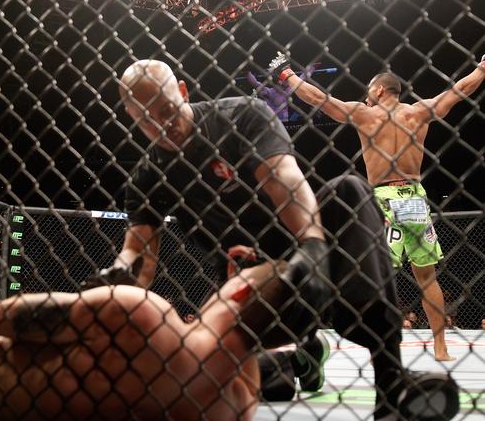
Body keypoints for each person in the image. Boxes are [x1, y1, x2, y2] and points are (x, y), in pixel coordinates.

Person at [88, 59, 459, 419]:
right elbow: (138, 254)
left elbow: (286, 182)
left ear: (183, 92)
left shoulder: (240, 115)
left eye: (166, 108)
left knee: (349, 191)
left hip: (305, 251)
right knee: (236, 381)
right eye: (146, 119)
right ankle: (297, 358)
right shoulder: (148, 176)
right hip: (242, 280)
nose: (162, 123)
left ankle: (392, 382)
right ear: (132, 118)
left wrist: (311, 245)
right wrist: (117, 276)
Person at [0, 190, 346, 419]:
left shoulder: (145, 316)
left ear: (237, 287)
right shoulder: (237, 401)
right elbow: (245, 327)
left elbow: (12, 317)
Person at [273, 52, 485, 362]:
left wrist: (286, 74)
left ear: (381, 90)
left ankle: (382, 349)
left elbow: (320, 99)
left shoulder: (365, 115)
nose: (366, 95)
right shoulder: (418, 113)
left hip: (383, 200)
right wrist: (481, 70)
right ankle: (441, 349)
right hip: (415, 197)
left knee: (377, 278)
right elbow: (458, 90)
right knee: (427, 277)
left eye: (370, 90)